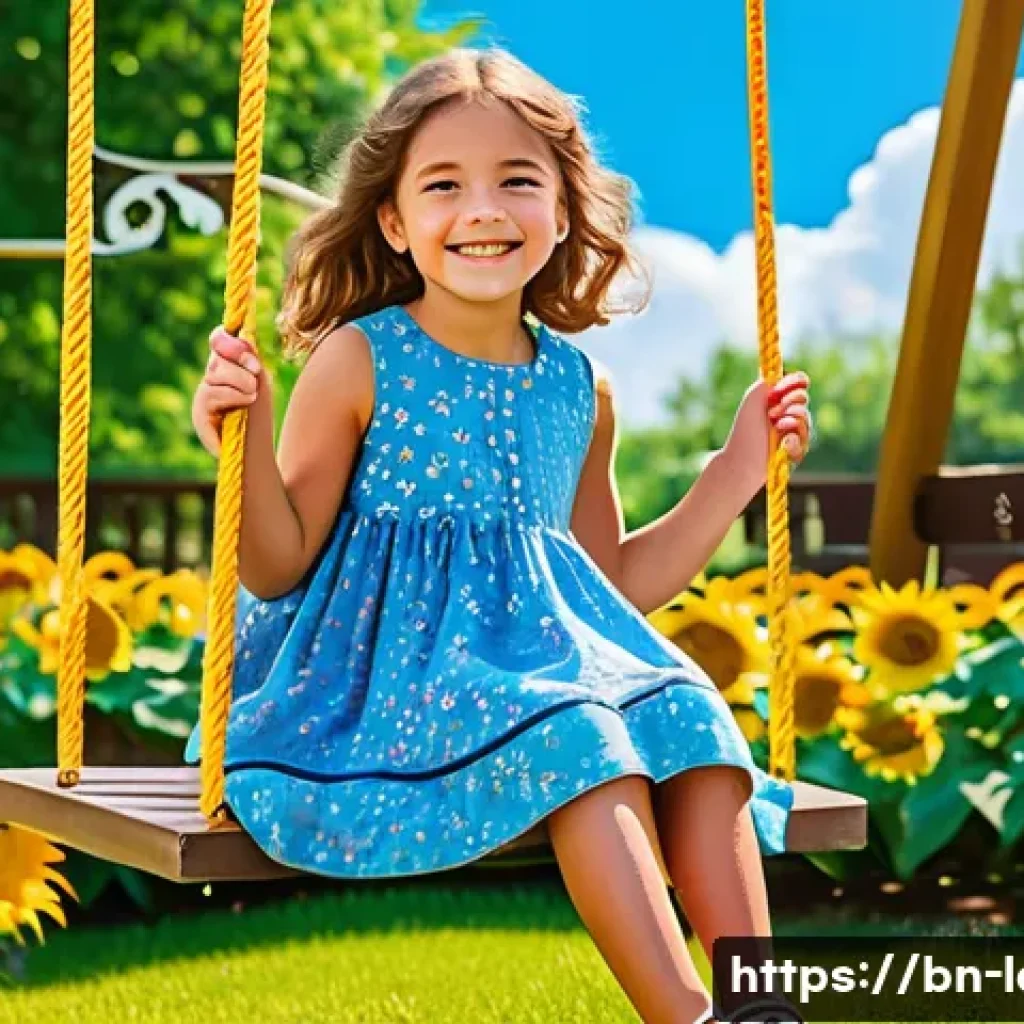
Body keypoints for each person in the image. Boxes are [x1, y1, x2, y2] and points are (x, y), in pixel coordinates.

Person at [185, 47, 812, 1024]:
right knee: (576, 731)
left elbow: (606, 589)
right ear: (393, 222)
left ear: (562, 210)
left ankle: (762, 1006)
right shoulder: (359, 358)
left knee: (691, 713)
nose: (482, 210)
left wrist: (732, 478)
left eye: (517, 181)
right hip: (374, 687)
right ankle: (685, 1016)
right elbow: (277, 563)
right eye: (444, 185)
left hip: (534, 674)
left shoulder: (576, 389)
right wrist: (244, 438)